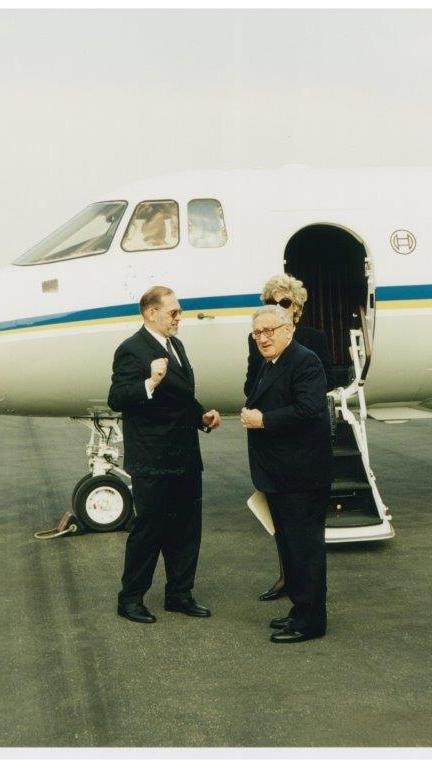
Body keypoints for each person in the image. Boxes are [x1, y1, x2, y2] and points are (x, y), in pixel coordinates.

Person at [108, 286, 221, 624]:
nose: (178, 317)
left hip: (184, 454)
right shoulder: (131, 349)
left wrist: (201, 415)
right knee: (150, 529)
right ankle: (130, 599)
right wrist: (150, 381)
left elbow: (182, 397)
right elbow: (117, 397)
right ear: (150, 313)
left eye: (179, 311)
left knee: (187, 528)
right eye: (172, 312)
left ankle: (180, 594)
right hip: (152, 458)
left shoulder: (177, 346)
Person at [241, 304, 333, 643]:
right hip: (281, 475)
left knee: (305, 550)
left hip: (302, 476)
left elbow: (310, 410)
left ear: (288, 330)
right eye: (257, 333)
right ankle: (300, 610)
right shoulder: (271, 362)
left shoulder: (304, 360)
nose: (263, 338)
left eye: (269, 331)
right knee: (292, 548)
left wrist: (262, 419)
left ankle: (312, 621)